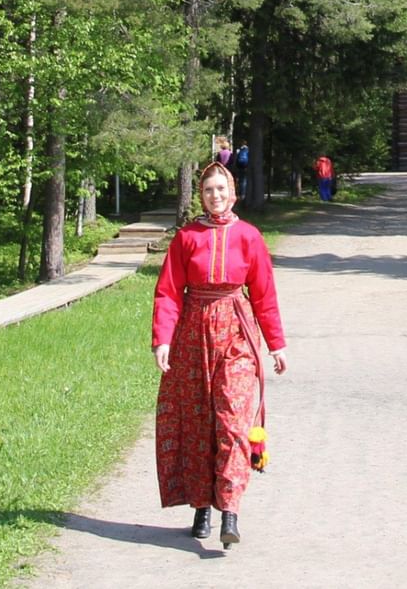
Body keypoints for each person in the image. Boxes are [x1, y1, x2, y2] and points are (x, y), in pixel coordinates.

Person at [151, 162, 288, 548]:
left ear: (233, 192)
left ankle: (230, 510)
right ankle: (201, 507)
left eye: (221, 189)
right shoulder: (187, 238)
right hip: (193, 334)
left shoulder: (249, 237)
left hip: (237, 334)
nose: (216, 196)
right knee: (198, 423)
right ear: (201, 195)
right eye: (208, 190)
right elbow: (168, 292)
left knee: (232, 422)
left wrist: (276, 343)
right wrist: (163, 339)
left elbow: (264, 294)